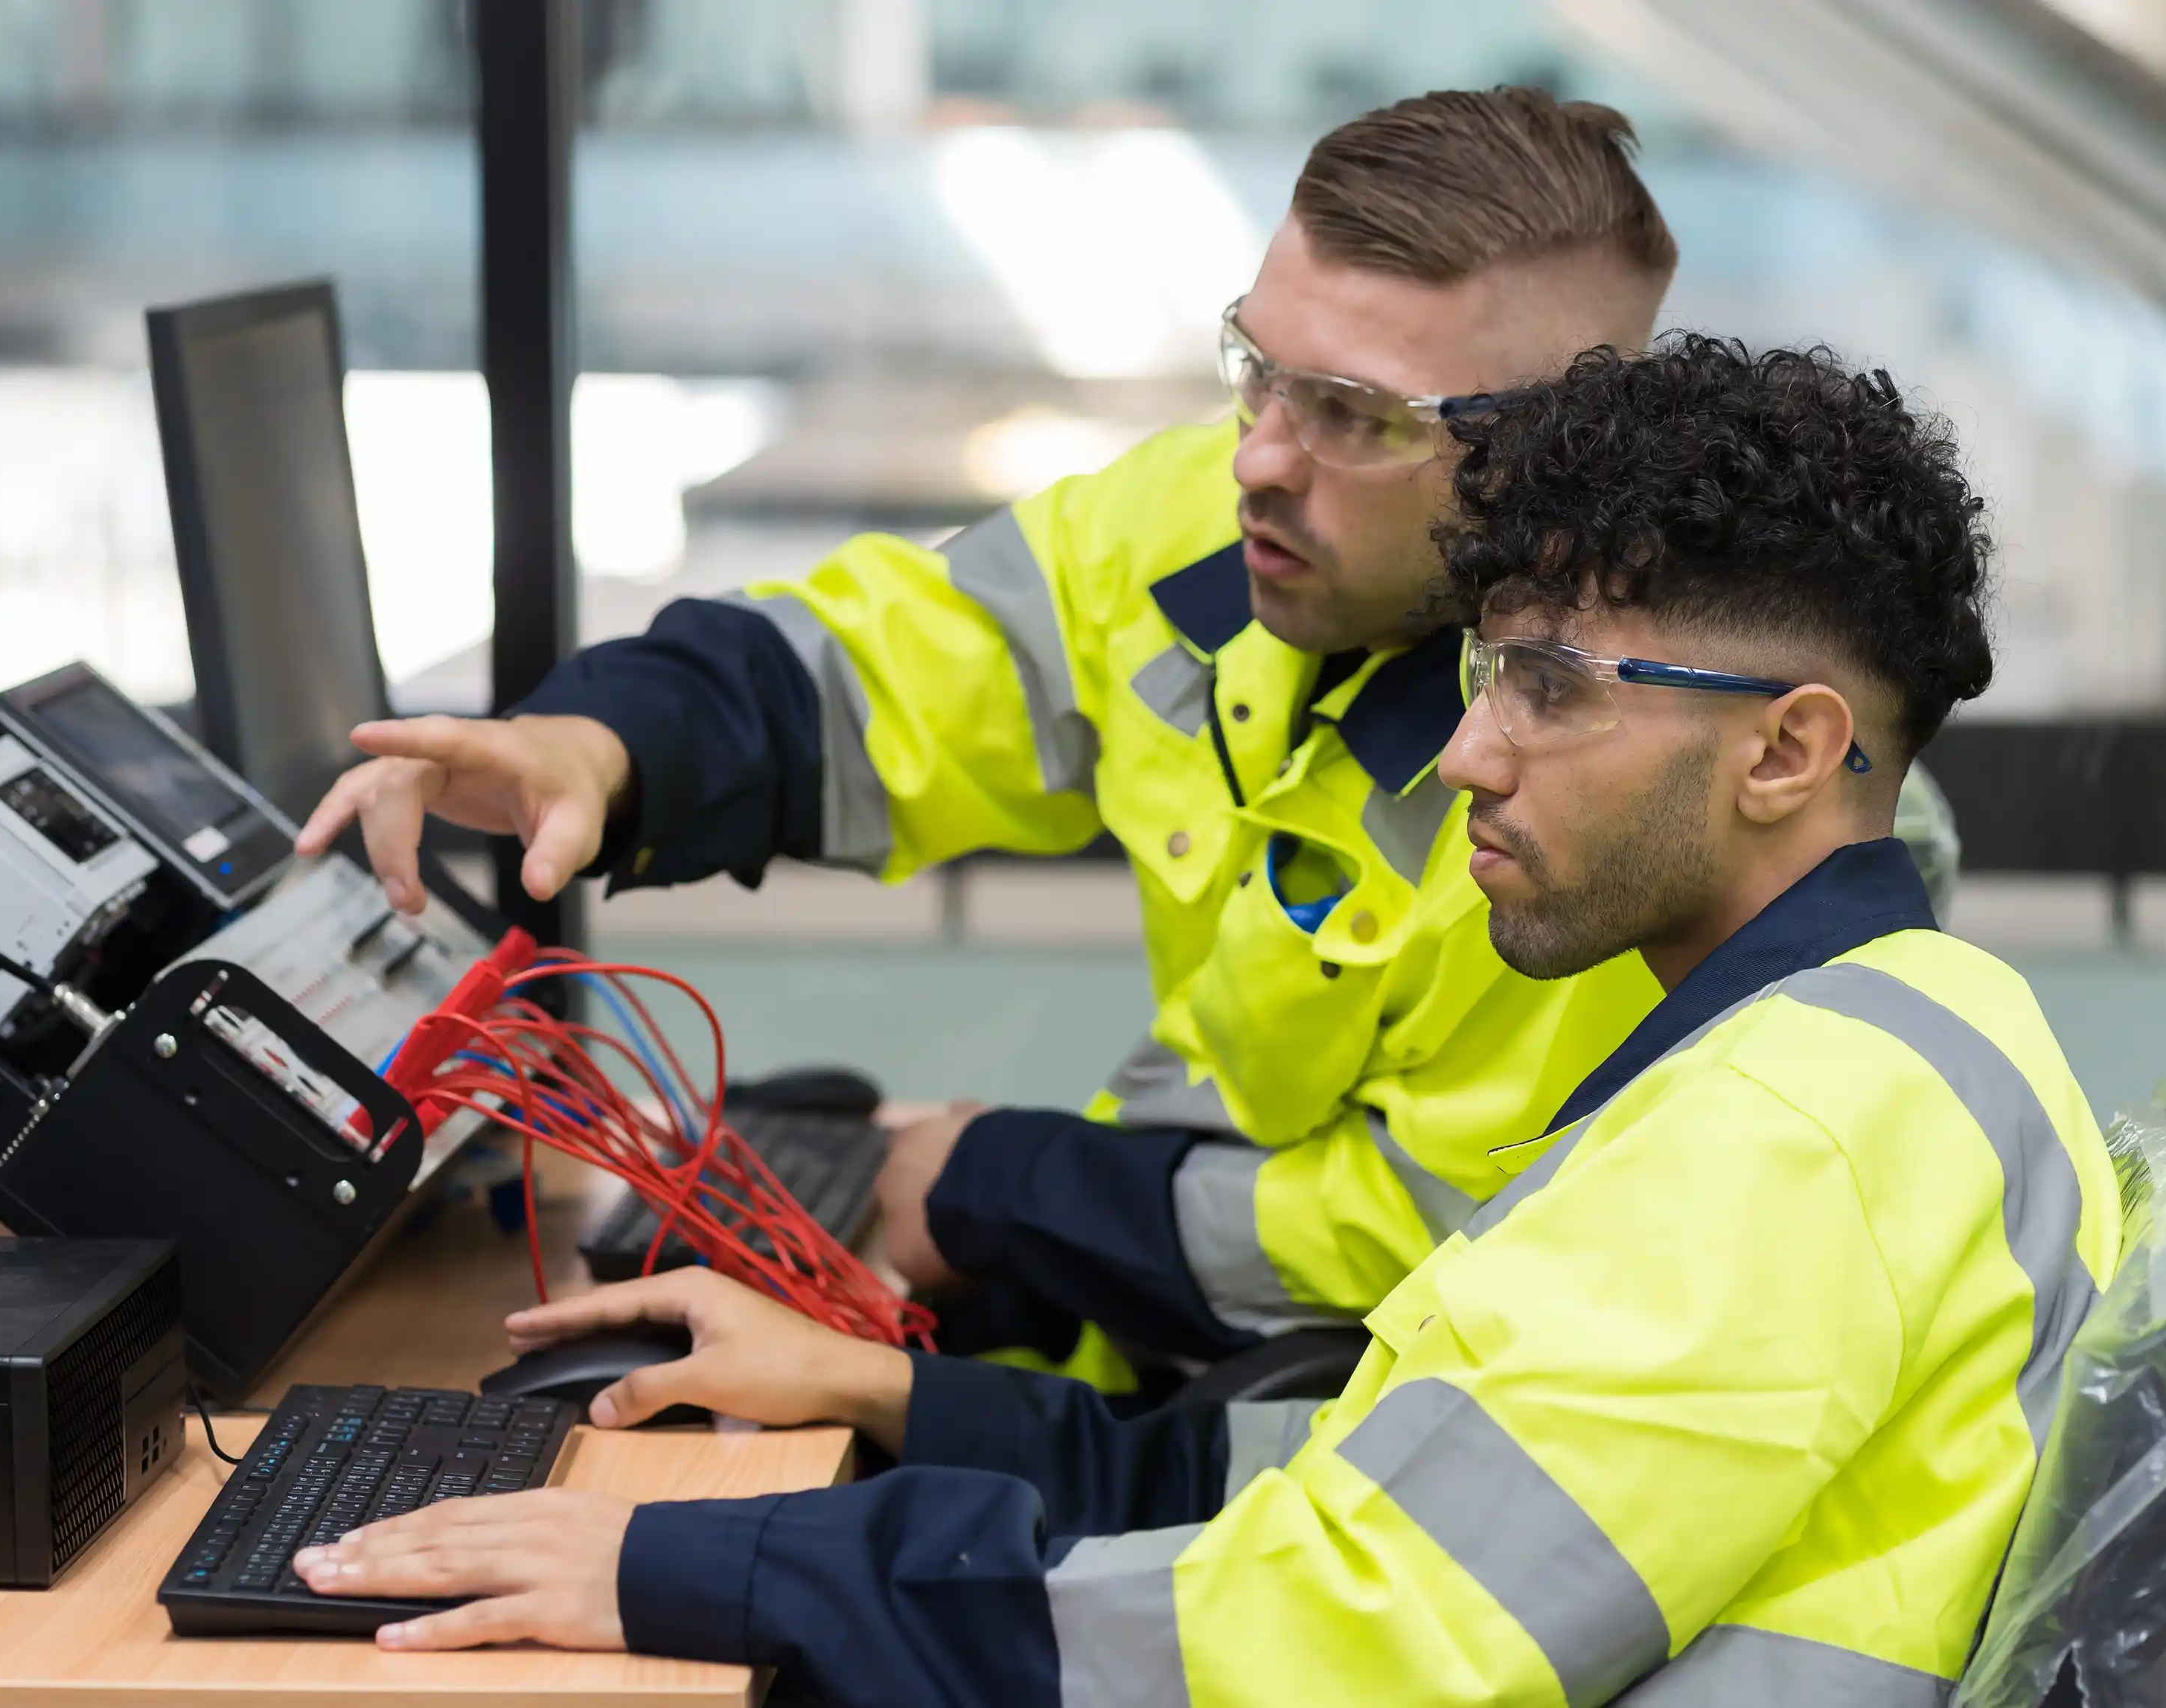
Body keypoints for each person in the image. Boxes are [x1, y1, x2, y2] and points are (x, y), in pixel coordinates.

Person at [291, 337, 2116, 1707]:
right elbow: (1376, 1512)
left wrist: (704, 1564)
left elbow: (1317, 1645)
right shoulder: (1884, 1039)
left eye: (1552, 691)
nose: (1470, 752)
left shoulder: (1776, 1148)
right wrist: (905, 1400)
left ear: (1790, 748)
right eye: (1488, 674)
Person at [298, 89, 1959, 1379]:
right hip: (1179, 1322)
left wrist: (986, 1188)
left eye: (1351, 416)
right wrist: (608, 743)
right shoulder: (1227, 532)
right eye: (1257, 366)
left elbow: (1422, 1247)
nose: (1255, 455)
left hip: (1331, 1414)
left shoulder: (1616, 800)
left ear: (1548, 454)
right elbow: (906, 670)